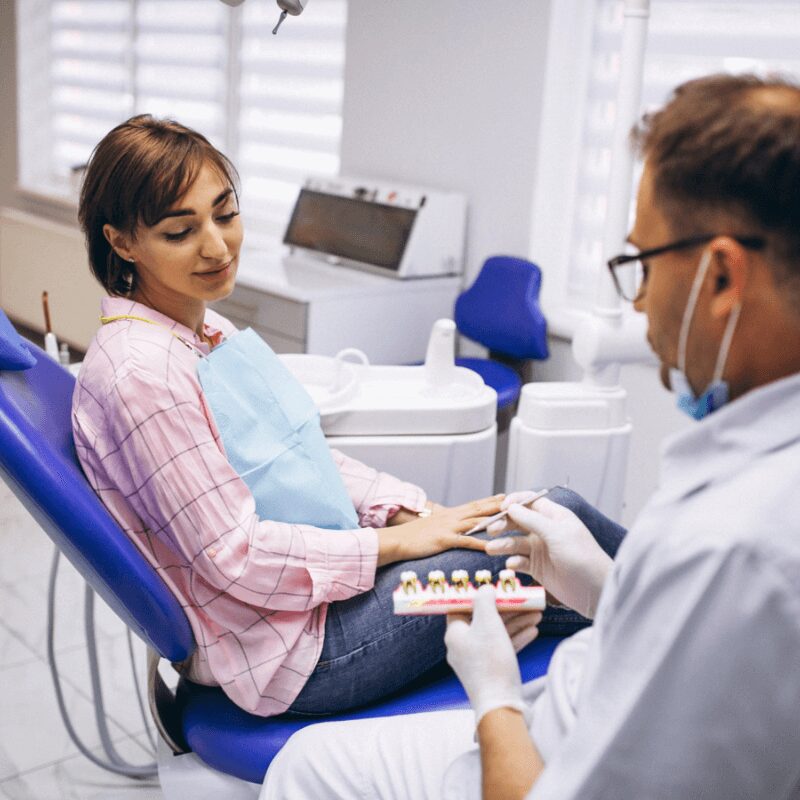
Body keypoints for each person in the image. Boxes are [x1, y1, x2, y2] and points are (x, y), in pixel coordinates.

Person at [260, 72, 800, 799]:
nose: (639, 302)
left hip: (537, 758)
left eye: (642, 265)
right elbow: (705, 658)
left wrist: (493, 694)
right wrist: (604, 586)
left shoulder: (729, 546)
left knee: (305, 768)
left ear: (722, 277)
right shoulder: (752, 491)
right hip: (572, 709)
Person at [73, 115, 624, 719]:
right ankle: (693, 629)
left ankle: (684, 621)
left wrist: (418, 515)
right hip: (303, 653)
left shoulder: (202, 330)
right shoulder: (141, 374)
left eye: (225, 215)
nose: (217, 245)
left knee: (545, 521)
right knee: (544, 534)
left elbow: (303, 458)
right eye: (181, 231)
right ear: (122, 241)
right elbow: (236, 557)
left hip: (319, 606)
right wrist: (393, 543)